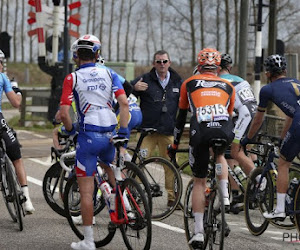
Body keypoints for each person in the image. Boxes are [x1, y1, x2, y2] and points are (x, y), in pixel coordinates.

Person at [60, 34, 129, 249]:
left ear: (75, 56)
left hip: (89, 135)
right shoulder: (109, 73)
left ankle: (88, 241)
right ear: (97, 54)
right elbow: (124, 103)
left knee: (87, 192)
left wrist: (71, 132)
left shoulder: (73, 77)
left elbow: (64, 113)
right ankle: (126, 205)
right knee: (112, 170)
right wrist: (124, 132)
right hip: (110, 132)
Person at [168, 48, 235, 248]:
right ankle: (224, 195)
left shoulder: (188, 83)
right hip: (224, 129)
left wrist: (175, 143)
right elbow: (229, 114)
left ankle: (197, 232)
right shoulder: (229, 85)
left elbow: (181, 117)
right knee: (220, 154)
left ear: (199, 65)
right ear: (218, 67)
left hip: (201, 130)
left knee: (199, 181)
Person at [241, 54, 300, 220]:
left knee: (283, 163)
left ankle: (280, 209)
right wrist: (283, 139)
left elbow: (258, 119)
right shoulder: (296, 82)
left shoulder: (267, 89)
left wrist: (248, 138)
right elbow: (291, 115)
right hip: (297, 120)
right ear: (285, 70)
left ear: (267, 73)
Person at [131, 50, 182, 207]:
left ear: (169, 63)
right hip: (148, 132)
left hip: (168, 132)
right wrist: (134, 88)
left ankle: (173, 199)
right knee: (140, 161)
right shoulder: (144, 79)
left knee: (171, 165)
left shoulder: (177, 81)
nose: (162, 65)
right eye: (158, 62)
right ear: (154, 63)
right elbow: (125, 93)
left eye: (164, 61)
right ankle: (135, 195)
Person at [218, 53, 264, 212]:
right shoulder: (240, 79)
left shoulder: (220, 82)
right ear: (229, 67)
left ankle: (258, 184)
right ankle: (251, 189)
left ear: (217, 68)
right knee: (249, 150)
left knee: (232, 153)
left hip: (243, 117)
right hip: (256, 116)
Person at [0, 50, 35, 213]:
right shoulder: (2, 78)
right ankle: (27, 200)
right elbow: (15, 103)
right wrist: (18, 90)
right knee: (16, 157)